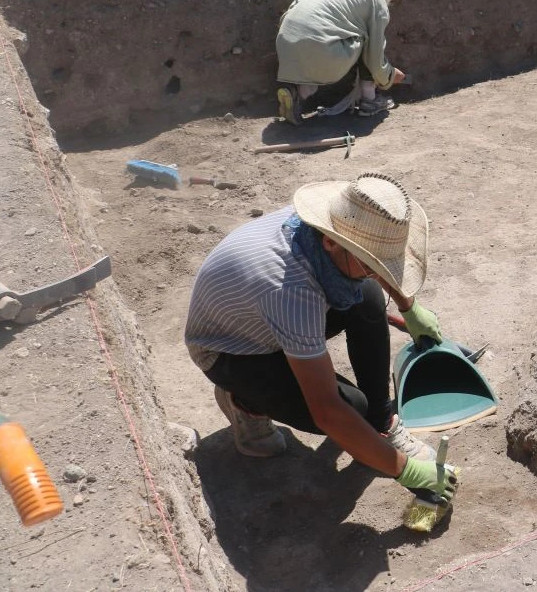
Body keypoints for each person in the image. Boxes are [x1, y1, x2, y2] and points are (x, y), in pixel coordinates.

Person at [184, 172, 457, 503]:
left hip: (261, 317)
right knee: (349, 406)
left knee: (367, 294)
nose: (379, 271)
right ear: (331, 241)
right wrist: (407, 471)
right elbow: (326, 411)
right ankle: (244, 402)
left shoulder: (329, 225)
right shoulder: (292, 291)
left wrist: (410, 308)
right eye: (372, 263)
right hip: (231, 349)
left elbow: (367, 266)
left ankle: (380, 422)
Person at [274, 0, 412, 126]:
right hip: (322, 50)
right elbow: (375, 60)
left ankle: (298, 94)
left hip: (285, 41)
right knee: (366, 37)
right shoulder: (376, 0)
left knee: (327, 38)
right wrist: (389, 76)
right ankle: (370, 98)